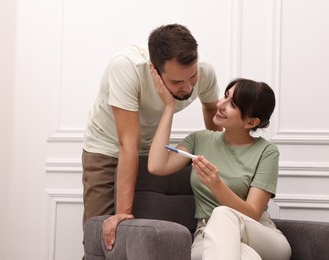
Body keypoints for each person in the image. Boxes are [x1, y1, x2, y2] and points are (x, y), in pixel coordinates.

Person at [82, 23, 222, 250]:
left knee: (141, 231)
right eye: (177, 82)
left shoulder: (205, 71)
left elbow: (210, 109)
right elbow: (128, 144)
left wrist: (222, 157)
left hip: (150, 147)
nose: (187, 88)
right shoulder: (126, 68)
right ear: (154, 70)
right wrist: (122, 214)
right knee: (102, 234)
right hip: (106, 144)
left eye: (192, 77)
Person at [148, 75, 292, 260]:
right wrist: (169, 107)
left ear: (251, 122)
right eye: (225, 96)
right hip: (207, 235)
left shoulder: (267, 152)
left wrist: (216, 184)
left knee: (222, 213)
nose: (220, 104)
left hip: (259, 233)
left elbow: (252, 213)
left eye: (232, 104)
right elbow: (156, 166)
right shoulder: (198, 139)